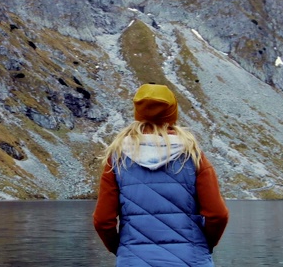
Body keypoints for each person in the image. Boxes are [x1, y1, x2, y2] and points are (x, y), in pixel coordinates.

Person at [93, 83, 229, 266]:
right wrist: (204, 245)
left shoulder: (117, 158)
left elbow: (103, 220)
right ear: (172, 114)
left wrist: (122, 250)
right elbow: (217, 215)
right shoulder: (193, 156)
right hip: (191, 259)